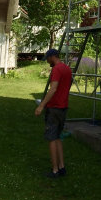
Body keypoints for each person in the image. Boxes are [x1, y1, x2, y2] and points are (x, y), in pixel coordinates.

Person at [35, 48, 72, 178]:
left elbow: (53, 89)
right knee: (58, 138)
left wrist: (41, 105)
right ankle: (62, 167)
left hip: (54, 109)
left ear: (52, 57)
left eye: (48, 59)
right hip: (63, 108)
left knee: (51, 138)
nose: (47, 62)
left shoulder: (56, 69)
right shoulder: (67, 68)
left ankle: (55, 170)